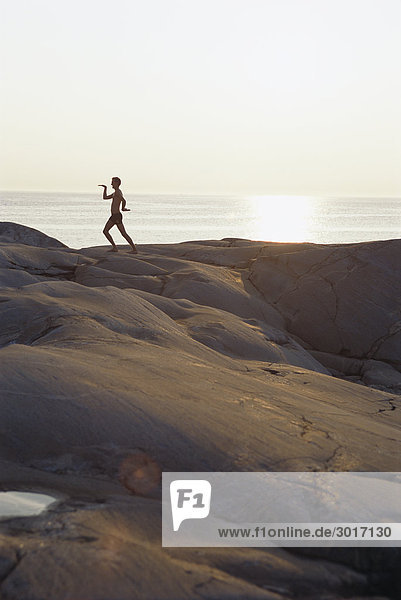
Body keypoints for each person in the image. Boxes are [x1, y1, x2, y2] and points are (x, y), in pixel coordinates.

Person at [98, 177, 137, 253]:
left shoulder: (118, 192)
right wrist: (105, 188)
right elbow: (105, 197)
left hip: (116, 216)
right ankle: (117, 248)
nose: (111, 184)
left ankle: (133, 249)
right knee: (119, 233)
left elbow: (123, 200)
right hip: (115, 216)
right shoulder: (115, 192)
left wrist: (123, 208)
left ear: (117, 183)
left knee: (107, 231)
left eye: (113, 182)